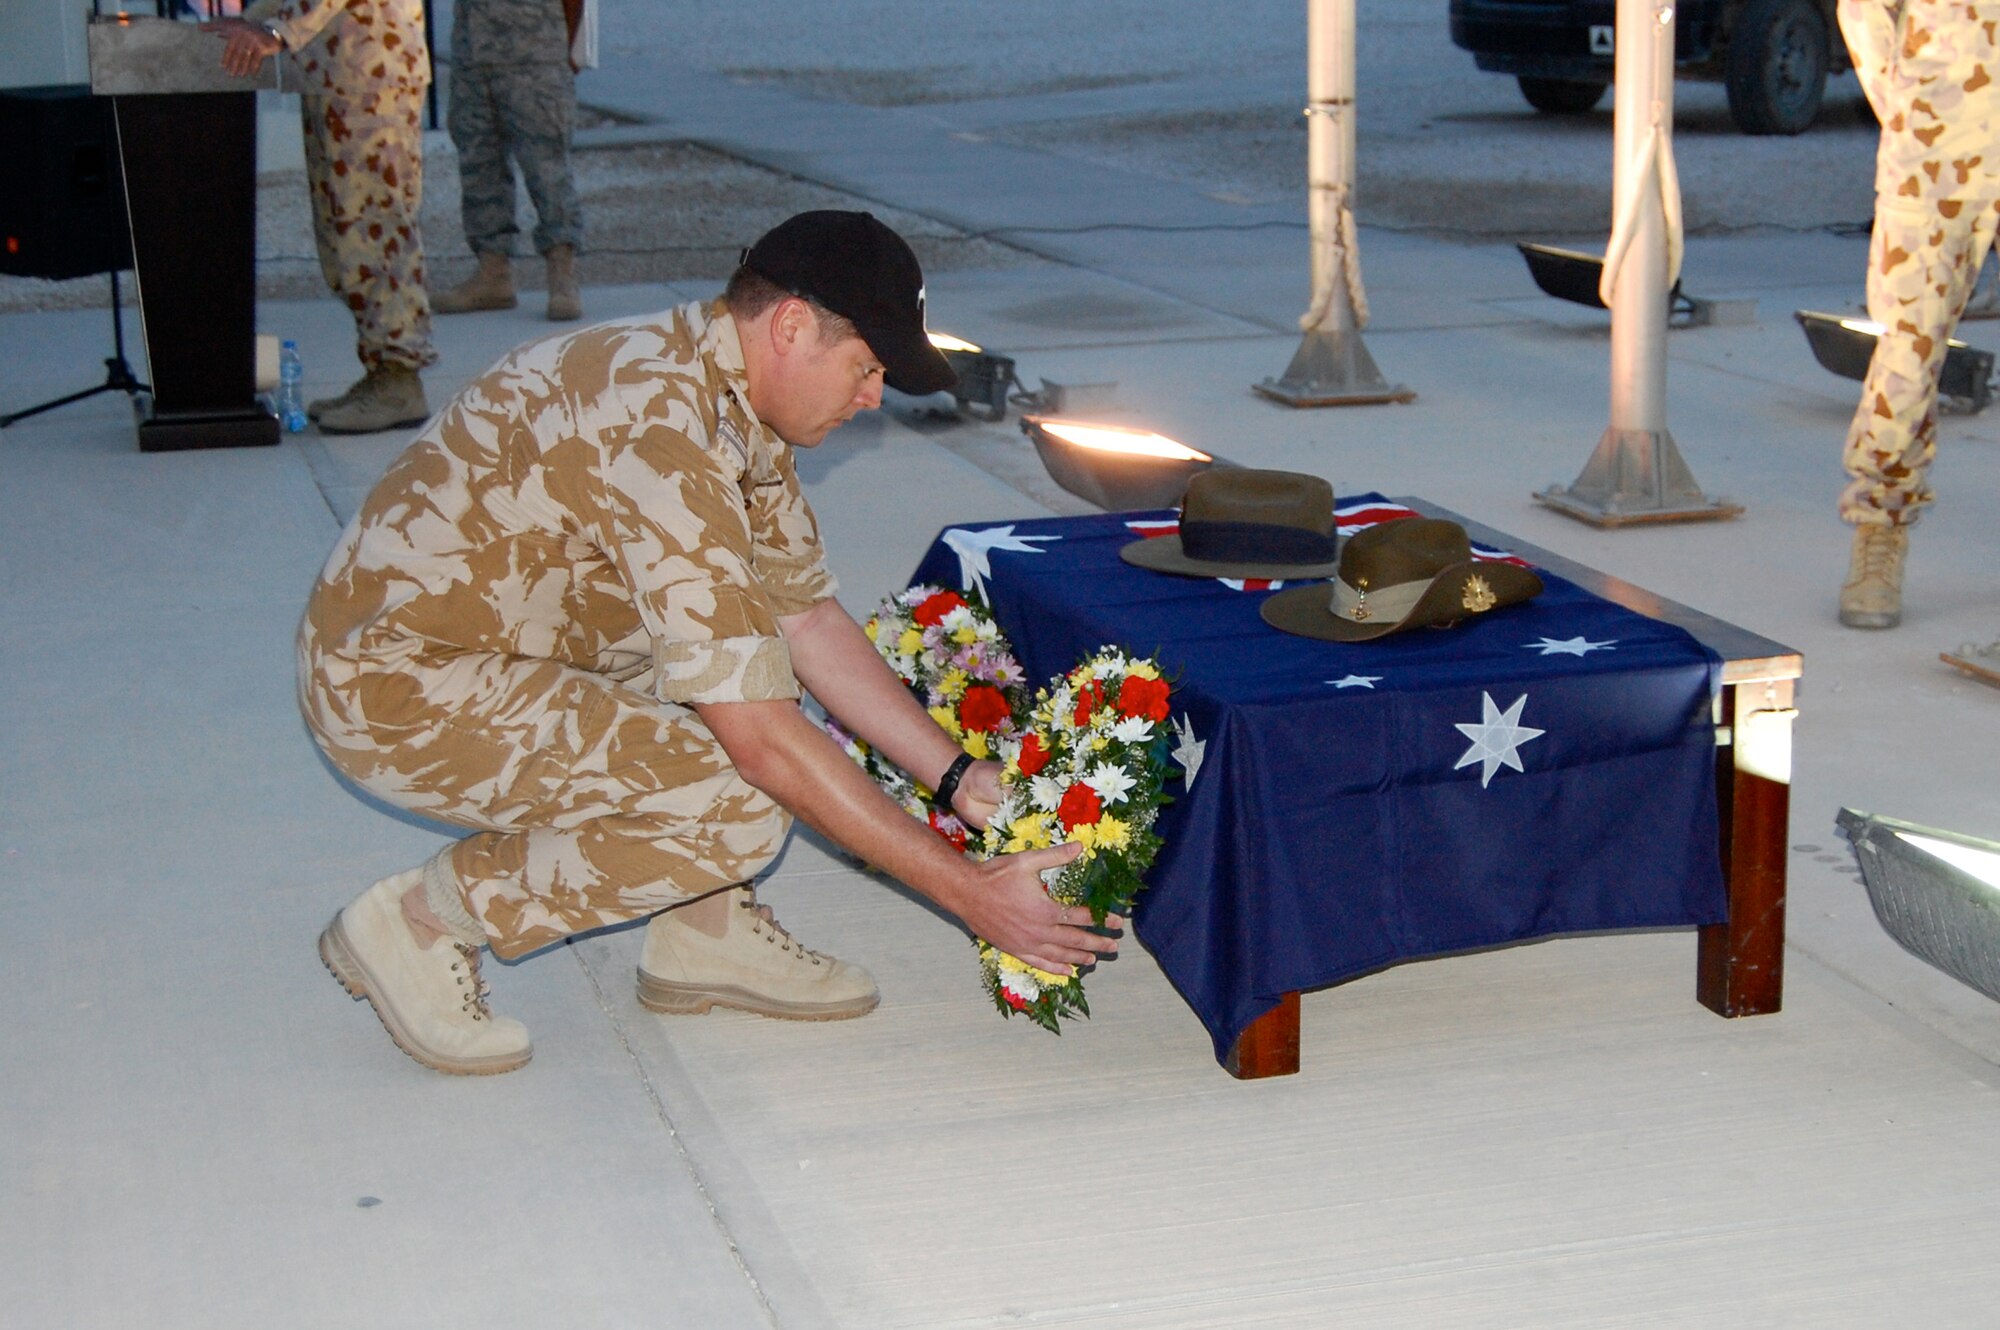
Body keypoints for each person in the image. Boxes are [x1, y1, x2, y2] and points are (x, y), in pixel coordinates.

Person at [298, 211, 1118, 1074]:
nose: (875, 395)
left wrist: (956, 779)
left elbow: (803, 619)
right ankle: (422, 921)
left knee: (750, 669)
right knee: (742, 793)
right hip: (396, 682)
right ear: (792, 326)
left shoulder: (730, 393)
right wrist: (972, 893)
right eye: (867, 366)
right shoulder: (661, 426)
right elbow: (763, 742)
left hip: (527, 646)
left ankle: (703, 928)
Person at [1835, 0, 2000, 628]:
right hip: (1934, 157)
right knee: (1907, 353)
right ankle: (1880, 526)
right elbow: (1863, 14)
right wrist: (1909, 113)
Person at [205, 0, 438, 435]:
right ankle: (380, 371)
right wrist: (255, 20)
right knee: (344, 234)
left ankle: (400, 379)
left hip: (371, 70)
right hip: (338, 70)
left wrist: (275, 31)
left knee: (377, 227)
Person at [431, 0, 587, 322]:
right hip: (473, 53)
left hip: (533, 54)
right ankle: (493, 273)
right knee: (478, 163)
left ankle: (562, 274)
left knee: (547, 167)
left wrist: (563, 48)